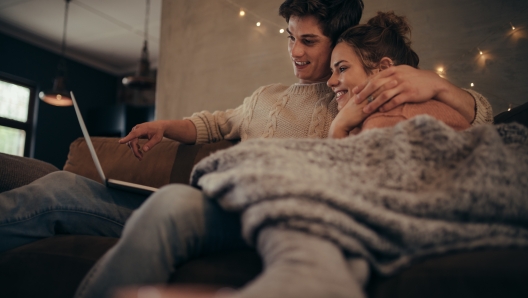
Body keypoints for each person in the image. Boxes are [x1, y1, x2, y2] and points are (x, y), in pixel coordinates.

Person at [0, 0, 491, 297]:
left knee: (171, 206)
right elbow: (220, 122)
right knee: (60, 187)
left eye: (310, 41)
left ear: (339, 42)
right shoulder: (267, 96)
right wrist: (168, 126)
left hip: (255, 211)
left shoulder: (357, 96)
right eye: (291, 37)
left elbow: (473, 123)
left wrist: (444, 89)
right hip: (208, 195)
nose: (296, 51)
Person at [327, 11, 472, 138]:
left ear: (384, 68)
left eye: (342, 68)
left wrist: (337, 130)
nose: (330, 82)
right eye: (332, 72)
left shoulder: (388, 120)